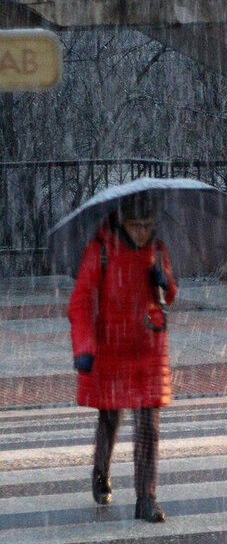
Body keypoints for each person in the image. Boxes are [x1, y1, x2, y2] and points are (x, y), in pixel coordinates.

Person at [68, 191, 175, 523]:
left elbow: (170, 294)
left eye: (147, 225)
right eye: (136, 225)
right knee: (110, 417)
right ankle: (101, 471)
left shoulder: (156, 248)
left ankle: (146, 497)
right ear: (121, 222)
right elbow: (81, 301)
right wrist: (84, 348)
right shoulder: (100, 249)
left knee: (148, 426)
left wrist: (164, 280)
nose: (142, 231)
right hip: (111, 346)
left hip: (148, 345)